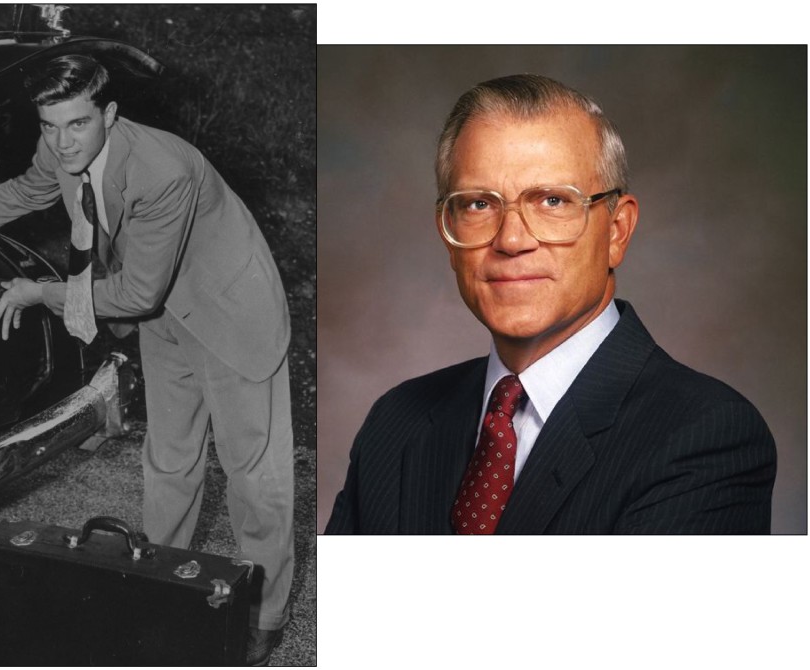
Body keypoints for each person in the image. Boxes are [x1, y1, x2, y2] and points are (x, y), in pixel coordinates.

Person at [0, 54, 293, 662]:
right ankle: (162, 583)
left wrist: (39, 293)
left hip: (229, 313)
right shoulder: (59, 144)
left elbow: (136, 292)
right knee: (170, 460)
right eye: (50, 127)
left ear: (109, 114)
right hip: (162, 319)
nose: (61, 142)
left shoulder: (162, 170)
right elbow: (27, 190)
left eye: (76, 125)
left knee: (252, 476)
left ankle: (264, 612)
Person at [325, 74, 776, 534]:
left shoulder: (704, 436)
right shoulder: (396, 422)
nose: (512, 240)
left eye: (553, 200)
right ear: (448, 233)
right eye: (479, 204)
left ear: (617, 231)